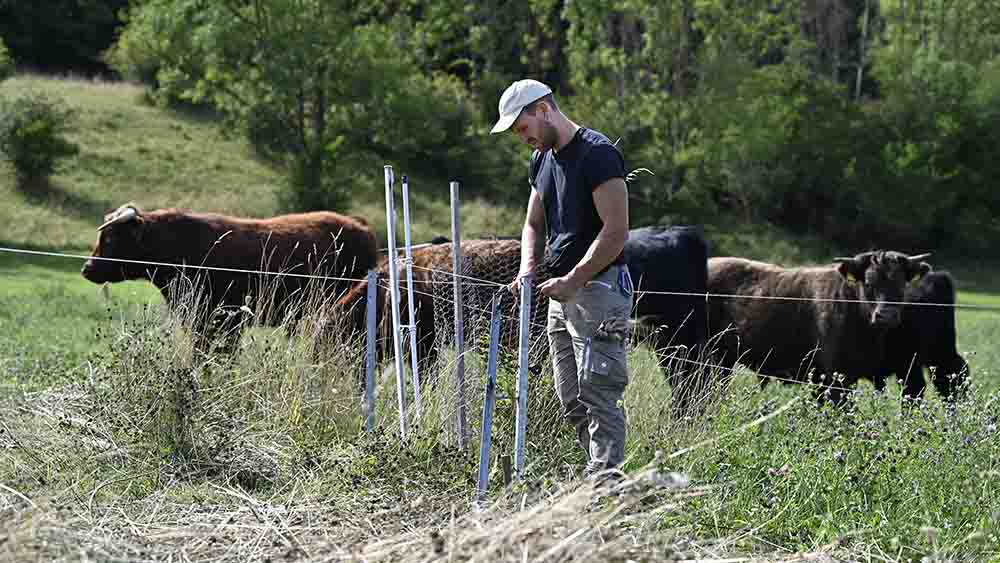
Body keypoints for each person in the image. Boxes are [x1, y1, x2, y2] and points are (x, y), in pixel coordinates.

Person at [490, 79, 633, 476]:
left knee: (599, 391)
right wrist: (527, 269)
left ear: (543, 110)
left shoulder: (598, 155)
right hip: (561, 295)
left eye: (522, 127)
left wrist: (574, 278)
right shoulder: (542, 160)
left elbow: (616, 230)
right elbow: (533, 224)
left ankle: (606, 485)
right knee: (571, 397)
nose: (523, 138)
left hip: (601, 290)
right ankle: (603, 473)